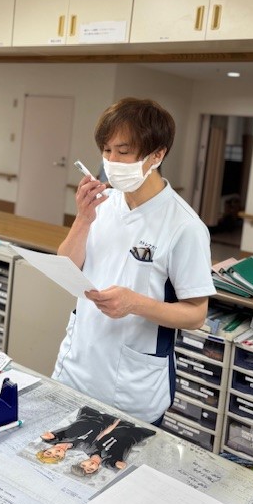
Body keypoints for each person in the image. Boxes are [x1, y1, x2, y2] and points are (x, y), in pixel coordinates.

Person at [52, 97, 215, 425]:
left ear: (157, 154)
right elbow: (66, 267)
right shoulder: (102, 204)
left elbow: (196, 315)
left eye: (123, 152)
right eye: (106, 150)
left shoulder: (184, 226)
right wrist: (83, 218)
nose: (111, 161)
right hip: (75, 366)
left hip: (131, 387)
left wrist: (135, 304)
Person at [36, 406, 120, 464]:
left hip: (88, 413)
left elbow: (47, 436)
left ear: (46, 449)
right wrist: (116, 423)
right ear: (63, 456)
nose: (56, 452)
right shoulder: (82, 448)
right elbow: (102, 434)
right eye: (57, 456)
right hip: (107, 420)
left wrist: (46, 436)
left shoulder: (53, 439)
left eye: (49, 452)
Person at [70, 422, 156, 476]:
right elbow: (116, 464)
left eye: (84, 465)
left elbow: (103, 434)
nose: (90, 465)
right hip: (137, 433)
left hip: (122, 425)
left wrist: (117, 422)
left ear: (81, 462)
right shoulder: (106, 462)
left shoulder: (89, 449)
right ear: (96, 469)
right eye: (90, 469)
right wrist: (118, 465)